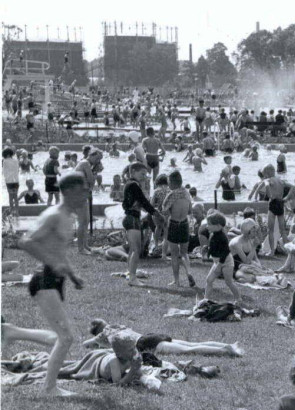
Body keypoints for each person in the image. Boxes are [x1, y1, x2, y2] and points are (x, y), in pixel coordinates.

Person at [18, 174, 87, 397]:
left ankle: (10, 333)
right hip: (44, 281)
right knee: (66, 337)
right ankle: (49, 388)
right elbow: (26, 241)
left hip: (56, 281)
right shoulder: (54, 214)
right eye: (80, 190)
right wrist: (53, 263)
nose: (84, 194)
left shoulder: (69, 216)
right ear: (67, 191)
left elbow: (59, 251)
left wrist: (73, 276)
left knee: (63, 335)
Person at [84, 319, 243, 357]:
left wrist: (99, 342)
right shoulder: (118, 326)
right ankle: (227, 344)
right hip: (150, 335)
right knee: (192, 343)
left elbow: (87, 344)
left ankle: (226, 351)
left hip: (145, 343)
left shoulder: (104, 333)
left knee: (189, 350)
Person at [122, 162, 165, 286]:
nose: (144, 176)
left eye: (145, 174)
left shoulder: (129, 184)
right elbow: (144, 202)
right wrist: (157, 214)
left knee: (133, 249)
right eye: (142, 174)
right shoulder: (134, 185)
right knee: (136, 249)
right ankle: (132, 278)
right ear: (133, 172)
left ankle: (130, 273)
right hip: (132, 219)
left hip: (130, 218)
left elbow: (127, 203)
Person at [161, 170, 196, 287]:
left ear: (172, 182)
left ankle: (176, 281)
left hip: (174, 223)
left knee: (175, 254)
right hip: (185, 223)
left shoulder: (171, 195)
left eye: (168, 182)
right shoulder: (187, 193)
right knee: (185, 253)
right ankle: (189, 272)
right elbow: (190, 210)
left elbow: (164, 210)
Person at [204, 212, 242, 304]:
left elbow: (225, 252)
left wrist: (219, 265)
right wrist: (207, 250)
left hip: (226, 262)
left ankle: (238, 298)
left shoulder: (222, 237)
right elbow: (214, 246)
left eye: (209, 224)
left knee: (228, 282)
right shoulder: (213, 234)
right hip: (218, 262)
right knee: (209, 280)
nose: (207, 226)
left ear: (218, 226)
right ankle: (206, 299)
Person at [3, 146, 21, 217]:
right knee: (15, 197)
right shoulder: (16, 160)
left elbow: (4, 172)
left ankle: (11, 212)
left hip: (9, 181)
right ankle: (17, 212)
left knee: (10, 197)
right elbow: (17, 169)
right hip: (16, 180)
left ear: (6, 154)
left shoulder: (5, 161)